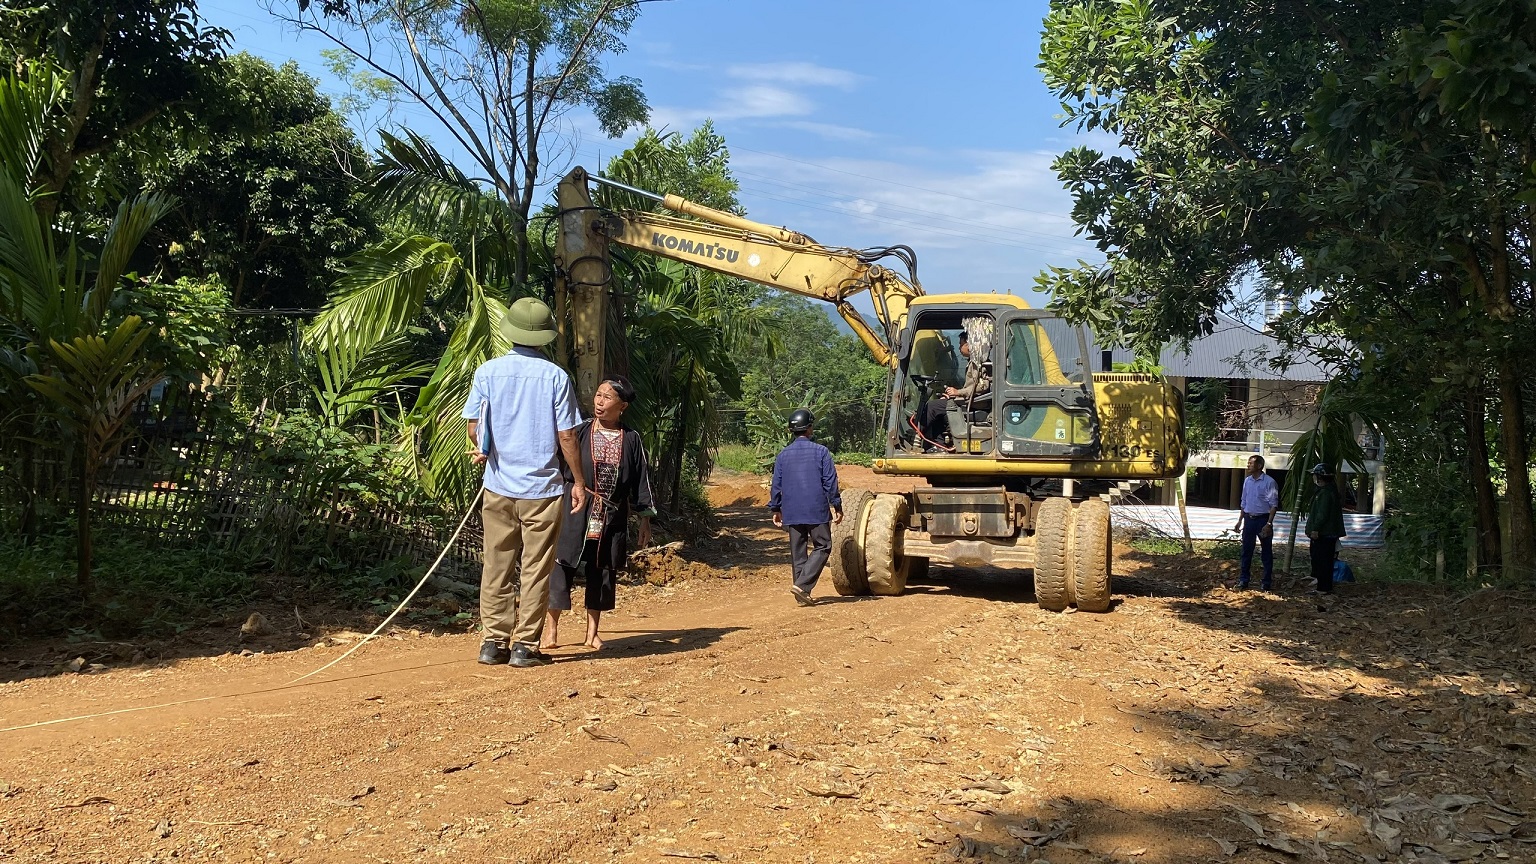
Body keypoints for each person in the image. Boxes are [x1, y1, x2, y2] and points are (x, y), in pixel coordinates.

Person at [464, 297, 588, 668]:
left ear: (511, 332)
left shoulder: (488, 372)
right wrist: (578, 480)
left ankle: (493, 642)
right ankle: (525, 647)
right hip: (543, 490)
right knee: (536, 569)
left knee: (497, 564)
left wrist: (484, 448)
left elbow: (475, 427)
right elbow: (567, 435)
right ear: (545, 336)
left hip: (499, 485)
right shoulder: (555, 377)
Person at [546, 375, 657, 651]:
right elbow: (557, 457)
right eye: (598, 395)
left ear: (622, 407)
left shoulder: (631, 439)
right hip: (576, 505)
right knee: (562, 563)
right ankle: (551, 632)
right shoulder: (580, 431)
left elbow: (641, 480)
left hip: (611, 514)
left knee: (602, 569)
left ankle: (592, 633)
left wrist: (645, 520)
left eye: (608, 398)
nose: (600, 402)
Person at [769, 408, 843, 606]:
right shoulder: (821, 452)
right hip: (816, 509)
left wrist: (775, 508)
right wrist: (836, 504)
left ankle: (801, 594)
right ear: (809, 428)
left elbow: (776, 483)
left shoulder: (783, 455)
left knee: (798, 551)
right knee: (823, 545)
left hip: (791, 510)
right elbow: (830, 481)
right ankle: (803, 586)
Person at [922, 332, 991, 445]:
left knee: (932, 406)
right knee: (939, 408)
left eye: (961, 344)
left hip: (975, 404)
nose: (959, 348)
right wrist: (952, 395)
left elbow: (982, 386)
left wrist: (958, 392)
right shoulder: (974, 361)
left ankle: (919, 434)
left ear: (969, 344)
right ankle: (939, 444)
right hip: (971, 402)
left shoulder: (977, 363)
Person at [1234, 454, 1280, 590]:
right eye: (1248, 463)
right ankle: (1244, 580)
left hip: (1263, 519)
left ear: (1259, 466)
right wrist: (1239, 521)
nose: (1248, 465)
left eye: (1251, 463)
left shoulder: (1269, 482)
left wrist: (1269, 524)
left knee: (1266, 552)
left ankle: (1266, 582)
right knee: (1246, 551)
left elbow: (1273, 505)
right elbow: (1244, 501)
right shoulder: (1247, 481)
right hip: (1249, 519)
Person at [1306, 463, 1347, 597]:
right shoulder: (1329, 491)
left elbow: (1322, 514)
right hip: (1327, 533)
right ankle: (1323, 585)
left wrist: (1315, 529)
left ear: (1320, 477)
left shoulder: (1325, 493)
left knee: (1323, 560)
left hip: (1324, 533)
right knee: (1324, 560)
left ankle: (1323, 588)